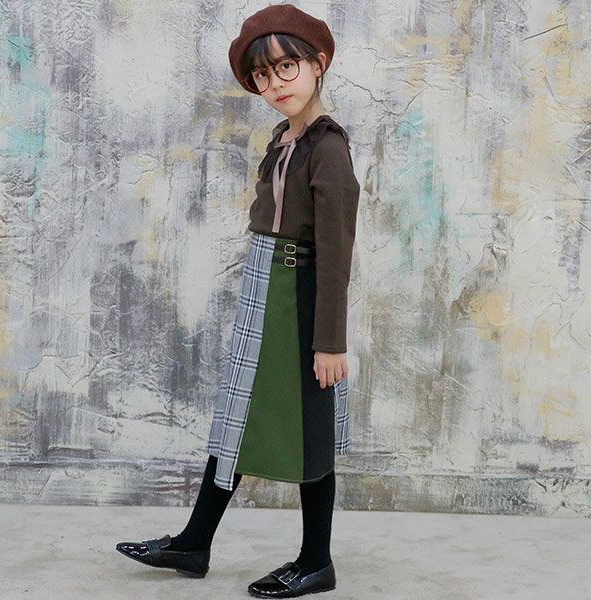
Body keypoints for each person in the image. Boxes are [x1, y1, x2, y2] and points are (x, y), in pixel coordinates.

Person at [115, 4, 360, 598]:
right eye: (262, 75)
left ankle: (316, 560)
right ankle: (195, 542)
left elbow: (336, 251)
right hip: (265, 291)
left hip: (300, 297)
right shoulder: (285, 138)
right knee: (237, 415)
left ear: (319, 63)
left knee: (310, 425)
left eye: (287, 67)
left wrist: (329, 341)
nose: (275, 83)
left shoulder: (328, 147)